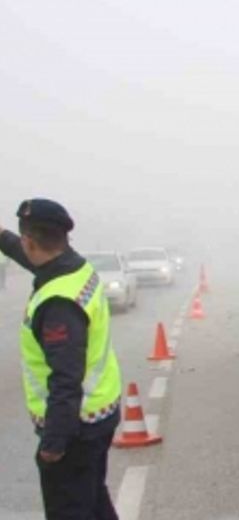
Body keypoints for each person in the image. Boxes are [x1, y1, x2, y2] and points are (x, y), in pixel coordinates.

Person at [0, 199, 122, 520]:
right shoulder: (76, 267)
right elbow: (29, 257)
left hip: (75, 429)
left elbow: (65, 378)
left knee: (70, 510)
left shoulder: (58, 303)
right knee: (93, 499)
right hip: (100, 412)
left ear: (30, 241)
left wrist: (53, 445)